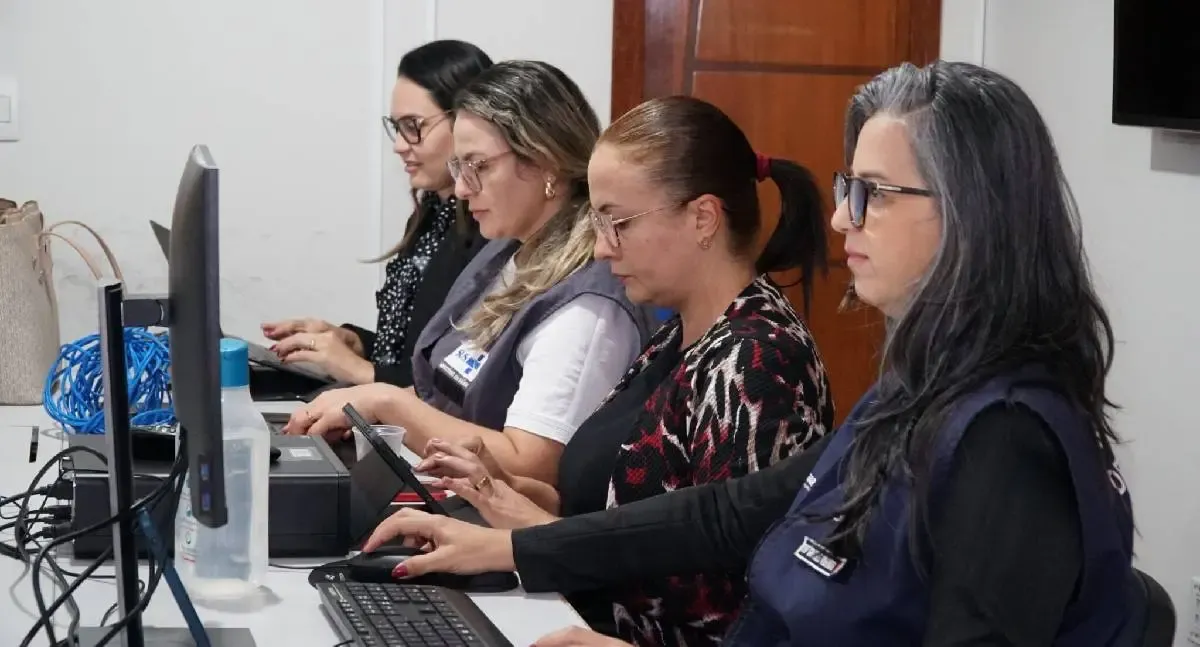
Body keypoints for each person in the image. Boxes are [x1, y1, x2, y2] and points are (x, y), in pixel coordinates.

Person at [360, 61, 1135, 647]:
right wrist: (515, 545)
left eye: (871, 192)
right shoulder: (923, 392)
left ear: (972, 211)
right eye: (844, 187)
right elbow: (729, 512)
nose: (839, 218)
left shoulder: (1005, 434)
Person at [412, 95, 836, 645]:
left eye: (618, 223)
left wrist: (530, 541)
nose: (602, 247)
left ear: (702, 217)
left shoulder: (756, 361)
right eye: (596, 221)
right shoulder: (678, 331)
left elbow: (729, 598)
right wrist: (508, 495)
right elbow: (625, 511)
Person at [283, 61, 654, 486]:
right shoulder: (506, 252)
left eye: (478, 166)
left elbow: (531, 464)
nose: (461, 189)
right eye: (459, 168)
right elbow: (447, 399)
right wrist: (358, 408)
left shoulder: (587, 309)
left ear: (545, 161)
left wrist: (386, 403)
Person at [261, 40, 492, 387]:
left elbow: (452, 389)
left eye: (414, 126)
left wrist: (357, 371)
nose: (400, 144)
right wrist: (352, 343)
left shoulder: (491, 230)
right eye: (398, 127)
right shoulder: (432, 214)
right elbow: (411, 354)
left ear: (465, 122)